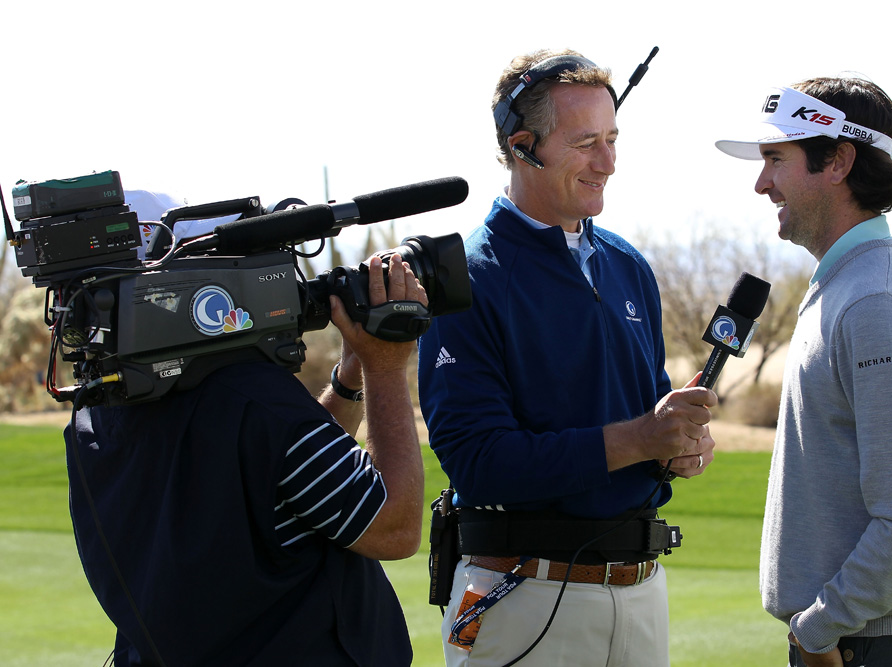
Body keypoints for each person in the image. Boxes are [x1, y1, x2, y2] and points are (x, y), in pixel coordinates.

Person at [417, 48, 718, 666]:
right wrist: (638, 439)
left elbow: (646, 418)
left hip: (640, 592)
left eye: (613, 139)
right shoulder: (466, 278)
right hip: (516, 596)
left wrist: (679, 446)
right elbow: (479, 462)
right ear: (523, 145)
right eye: (587, 143)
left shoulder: (628, 266)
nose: (608, 163)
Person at [66, 248, 427, 665]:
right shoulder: (254, 398)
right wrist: (384, 368)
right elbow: (394, 527)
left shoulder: (95, 415)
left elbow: (284, 478)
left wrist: (350, 380)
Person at [715, 78, 892, 666]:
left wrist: (820, 628)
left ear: (839, 161)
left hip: (875, 644)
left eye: (777, 159)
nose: (761, 181)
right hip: (862, 638)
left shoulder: (876, 303)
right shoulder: (850, 284)